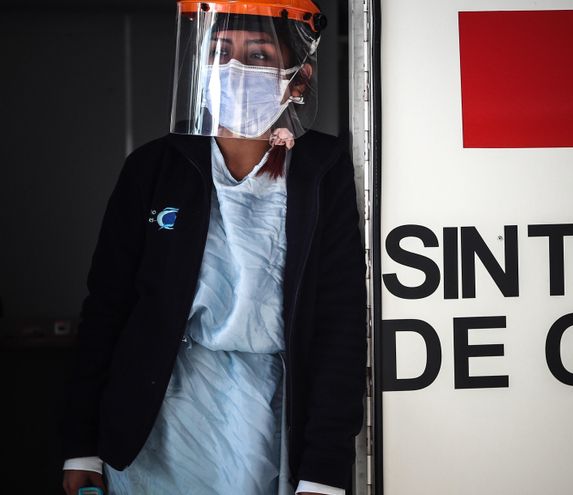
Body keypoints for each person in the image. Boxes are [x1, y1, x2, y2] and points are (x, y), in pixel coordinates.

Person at [60, 1, 366, 493]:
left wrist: (324, 472)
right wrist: (82, 444)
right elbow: (107, 310)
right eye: (219, 52)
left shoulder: (320, 173)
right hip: (156, 417)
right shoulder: (155, 170)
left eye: (259, 55)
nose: (235, 69)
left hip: (269, 417)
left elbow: (339, 326)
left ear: (299, 78)